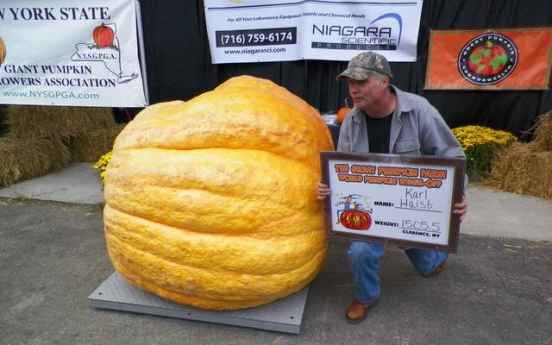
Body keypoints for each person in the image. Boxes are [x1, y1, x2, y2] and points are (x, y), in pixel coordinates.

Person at [317, 51, 468, 324]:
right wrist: (329, 187)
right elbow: (343, 168)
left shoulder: (420, 111)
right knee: (360, 250)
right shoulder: (351, 120)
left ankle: (434, 256)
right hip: (369, 205)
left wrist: (459, 195)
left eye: (361, 82)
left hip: (411, 205)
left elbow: (452, 157)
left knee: (427, 266)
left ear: (384, 82)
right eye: (350, 82)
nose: (353, 89)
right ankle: (367, 296)